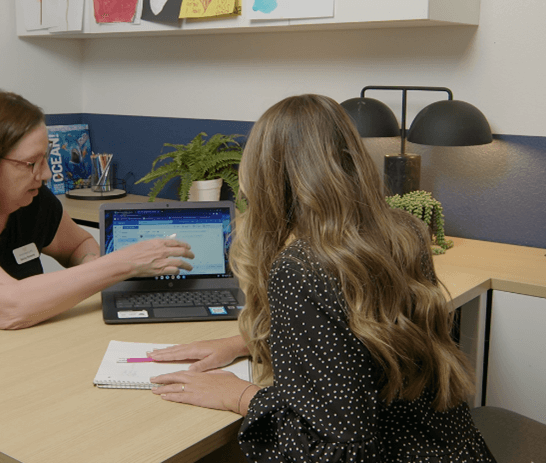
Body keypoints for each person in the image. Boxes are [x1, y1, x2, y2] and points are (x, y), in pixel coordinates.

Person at [147, 94, 495, 461]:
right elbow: (361, 340)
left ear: (268, 177)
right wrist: (247, 342)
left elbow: (338, 448)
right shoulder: (402, 230)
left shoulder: (301, 266)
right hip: (448, 448)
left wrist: (239, 396)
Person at [0, 89, 194, 328]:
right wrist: (123, 264)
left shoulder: (31, 200)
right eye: (31, 163)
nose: (46, 174)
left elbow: (80, 244)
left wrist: (91, 264)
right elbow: (7, 307)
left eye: (46, 159)